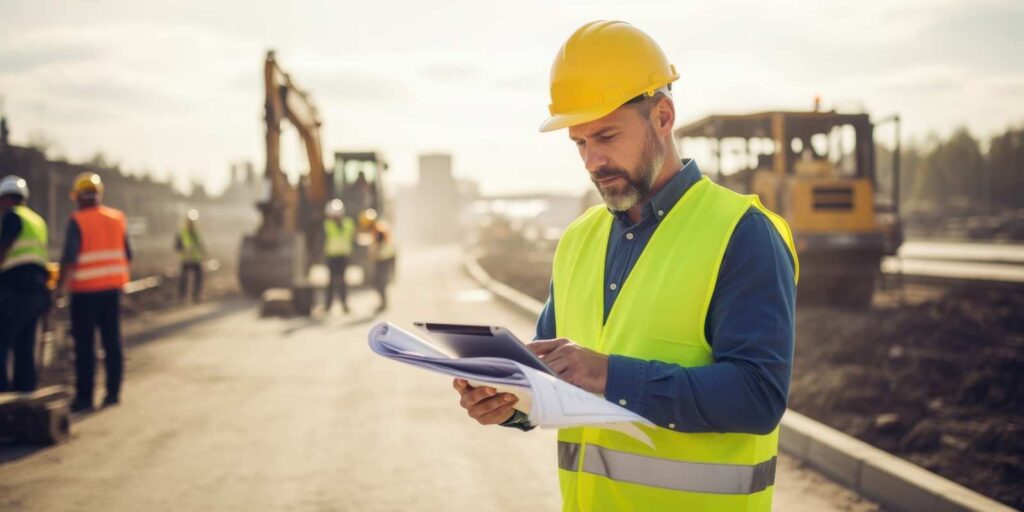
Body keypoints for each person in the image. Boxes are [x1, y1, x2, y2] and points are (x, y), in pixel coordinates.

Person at [452, 21, 798, 511]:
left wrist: (609, 375)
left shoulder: (742, 233)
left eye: (607, 136)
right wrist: (509, 405)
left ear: (663, 115)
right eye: (579, 143)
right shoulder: (578, 240)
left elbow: (758, 397)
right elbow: (555, 383)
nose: (593, 160)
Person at [56, 172, 131, 412]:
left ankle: (85, 398)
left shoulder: (77, 220)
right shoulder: (117, 218)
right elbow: (129, 254)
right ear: (99, 195)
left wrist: (60, 288)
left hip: (85, 293)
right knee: (112, 342)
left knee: (85, 346)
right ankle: (113, 393)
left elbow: (69, 258)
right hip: (112, 290)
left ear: (78, 197)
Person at [0, 175, 50, 392]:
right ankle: (25, 392)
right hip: (39, 291)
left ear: (6, 198)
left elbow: (4, 249)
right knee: (25, 346)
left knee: (2, 343)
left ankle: (2, 392)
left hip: (16, 290)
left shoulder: (11, 217)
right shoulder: (37, 221)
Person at [322, 199, 354, 313]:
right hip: (332, 257)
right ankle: (328, 305)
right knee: (331, 282)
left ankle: (344, 305)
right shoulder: (328, 224)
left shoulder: (348, 223)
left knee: (342, 281)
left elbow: (348, 232)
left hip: (343, 257)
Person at [175, 209, 204, 302]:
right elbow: (177, 246)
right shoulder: (183, 233)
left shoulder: (195, 233)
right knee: (183, 279)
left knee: (198, 277)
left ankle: (196, 296)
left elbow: (199, 244)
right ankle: (182, 297)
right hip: (186, 259)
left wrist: (203, 252)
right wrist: (182, 251)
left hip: (195, 259)